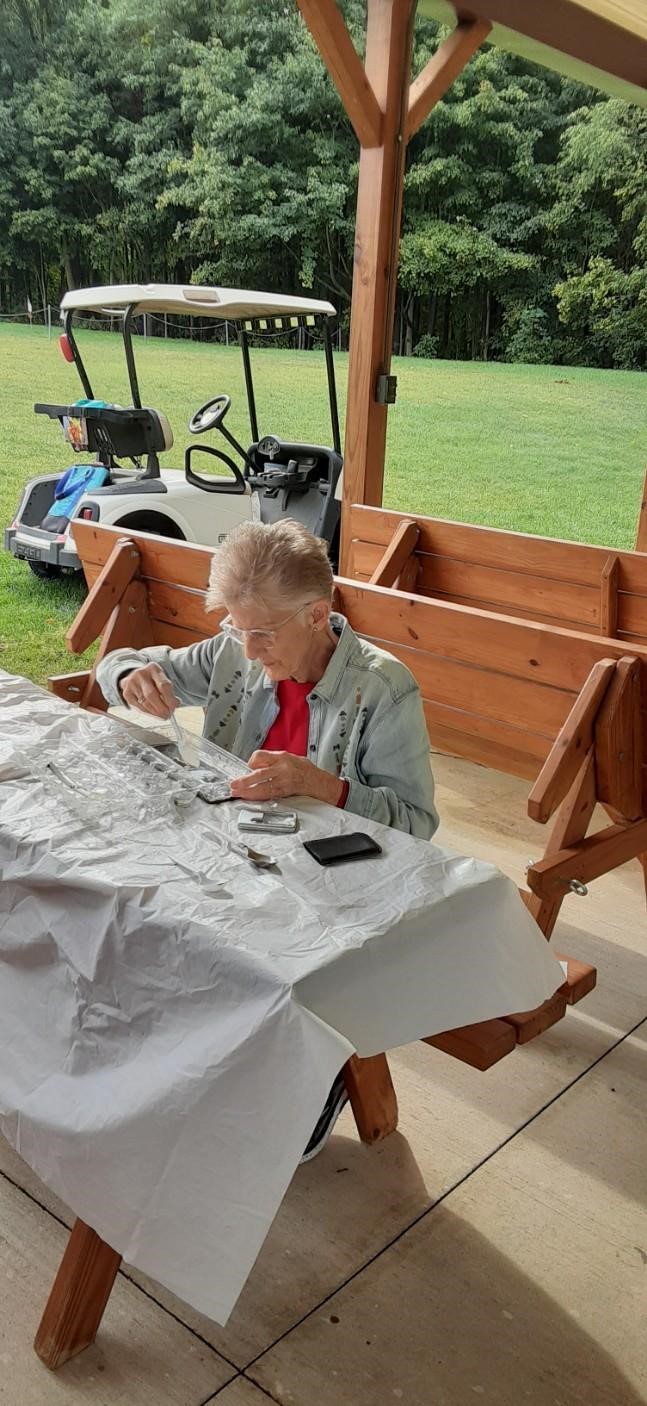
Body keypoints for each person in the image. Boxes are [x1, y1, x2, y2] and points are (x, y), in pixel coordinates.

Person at [97, 519, 438, 1157]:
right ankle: (182, 1071)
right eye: (235, 626)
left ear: (317, 613)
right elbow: (120, 661)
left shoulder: (382, 688)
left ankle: (311, 1079)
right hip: (240, 858)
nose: (248, 650)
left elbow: (418, 823)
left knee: (257, 966)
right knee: (139, 908)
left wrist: (327, 786)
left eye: (261, 632)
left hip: (330, 884)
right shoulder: (236, 652)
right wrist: (128, 676)